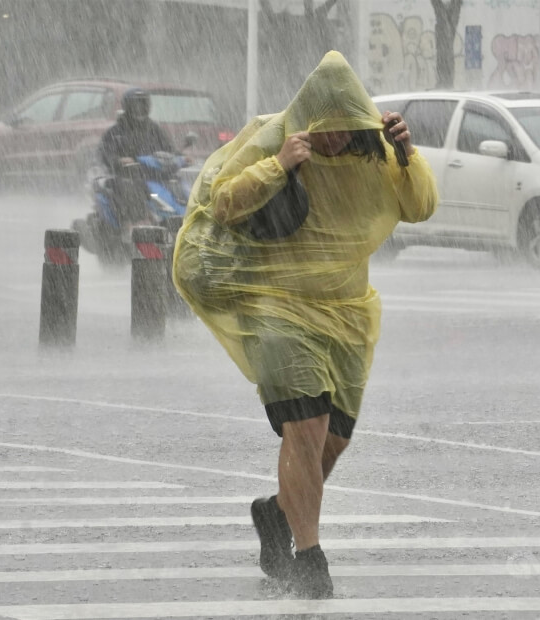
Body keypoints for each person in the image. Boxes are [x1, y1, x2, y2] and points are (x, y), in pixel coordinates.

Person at [172, 51, 438, 599]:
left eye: (344, 128)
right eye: (325, 128)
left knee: (331, 444)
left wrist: (408, 154)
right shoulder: (278, 138)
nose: (334, 139)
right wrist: (280, 164)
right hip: (276, 306)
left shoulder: (379, 152)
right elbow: (222, 203)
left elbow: (421, 208)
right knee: (306, 426)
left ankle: (276, 513)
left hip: (346, 314)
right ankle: (310, 555)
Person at [98, 87, 175, 232]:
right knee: (130, 186)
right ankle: (133, 222)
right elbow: (106, 153)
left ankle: (179, 218)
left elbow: (169, 149)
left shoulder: (154, 130)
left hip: (154, 175)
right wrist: (119, 160)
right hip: (127, 175)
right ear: (127, 106)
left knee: (178, 184)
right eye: (135, 105)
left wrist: (182, 157)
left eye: (142, 104)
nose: (139, 109)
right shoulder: (116, 131)